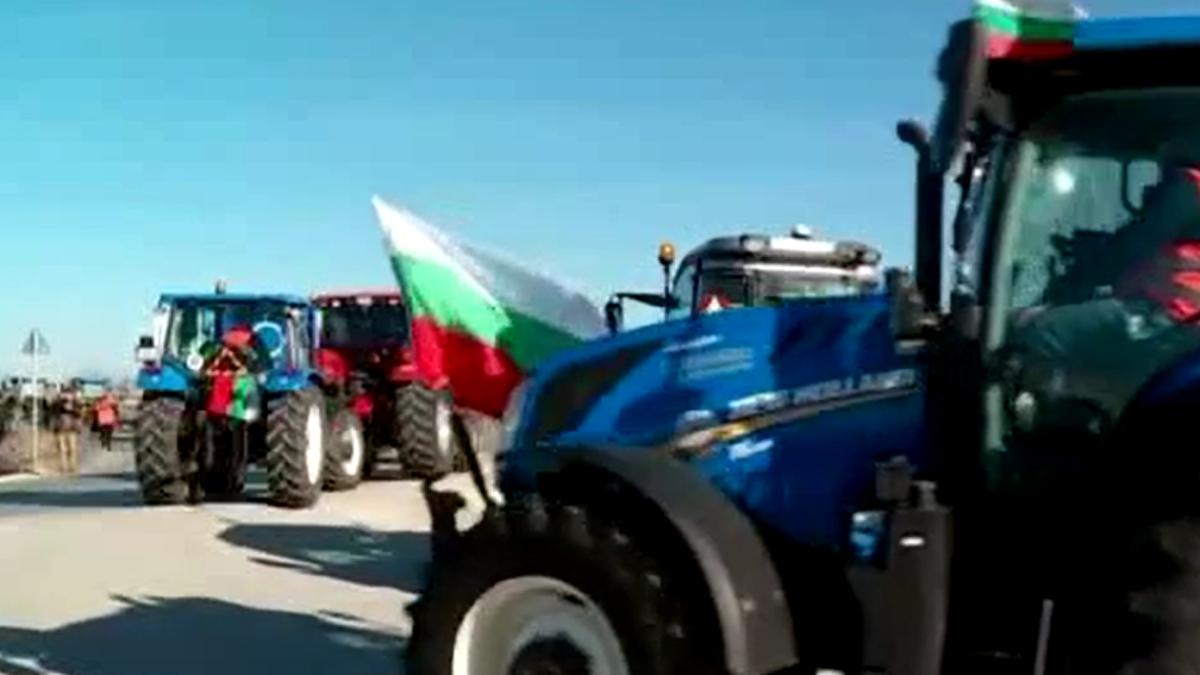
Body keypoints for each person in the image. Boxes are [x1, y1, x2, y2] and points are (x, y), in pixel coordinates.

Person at [51, 388, 83, 474]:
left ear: (72, 395)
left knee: (72, 449)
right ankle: (63, 467)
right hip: (60, 429)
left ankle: (73, 467)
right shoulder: (57, 403)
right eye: (65, 394)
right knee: (62, 450)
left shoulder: (76, 403)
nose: (67, 396)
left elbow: (79, 415)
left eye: (69, 394)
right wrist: (59, 402)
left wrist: (72, 409)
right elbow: (53, 410)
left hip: (72, 429)